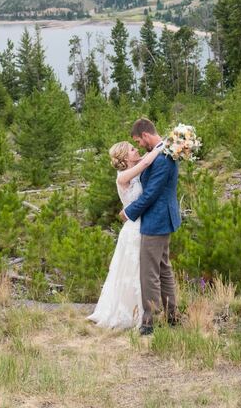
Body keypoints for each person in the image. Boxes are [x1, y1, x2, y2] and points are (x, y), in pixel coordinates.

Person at [87, 139, 162, 329]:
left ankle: (143, 310)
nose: (136, 150)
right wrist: (163, 147)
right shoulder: (122, 177)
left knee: (140, 270)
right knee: (134, 270)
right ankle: (132, 314)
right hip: (134, 228)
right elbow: (146, 162)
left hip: (142, 224)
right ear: (125, 157)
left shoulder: (134, 168)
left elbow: (146, 159)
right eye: (132, 149)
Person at [121, 117, 181, 335]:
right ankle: (172, 316)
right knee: (164, 269)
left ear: (145, 135)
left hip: (156, 220)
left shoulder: (163, 157)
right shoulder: (163, 150)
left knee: (150, 273)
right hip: (163, 218)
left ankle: (149, 322)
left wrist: (129, 212)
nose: (138, 146)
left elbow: (151, 194)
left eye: (138, 141)